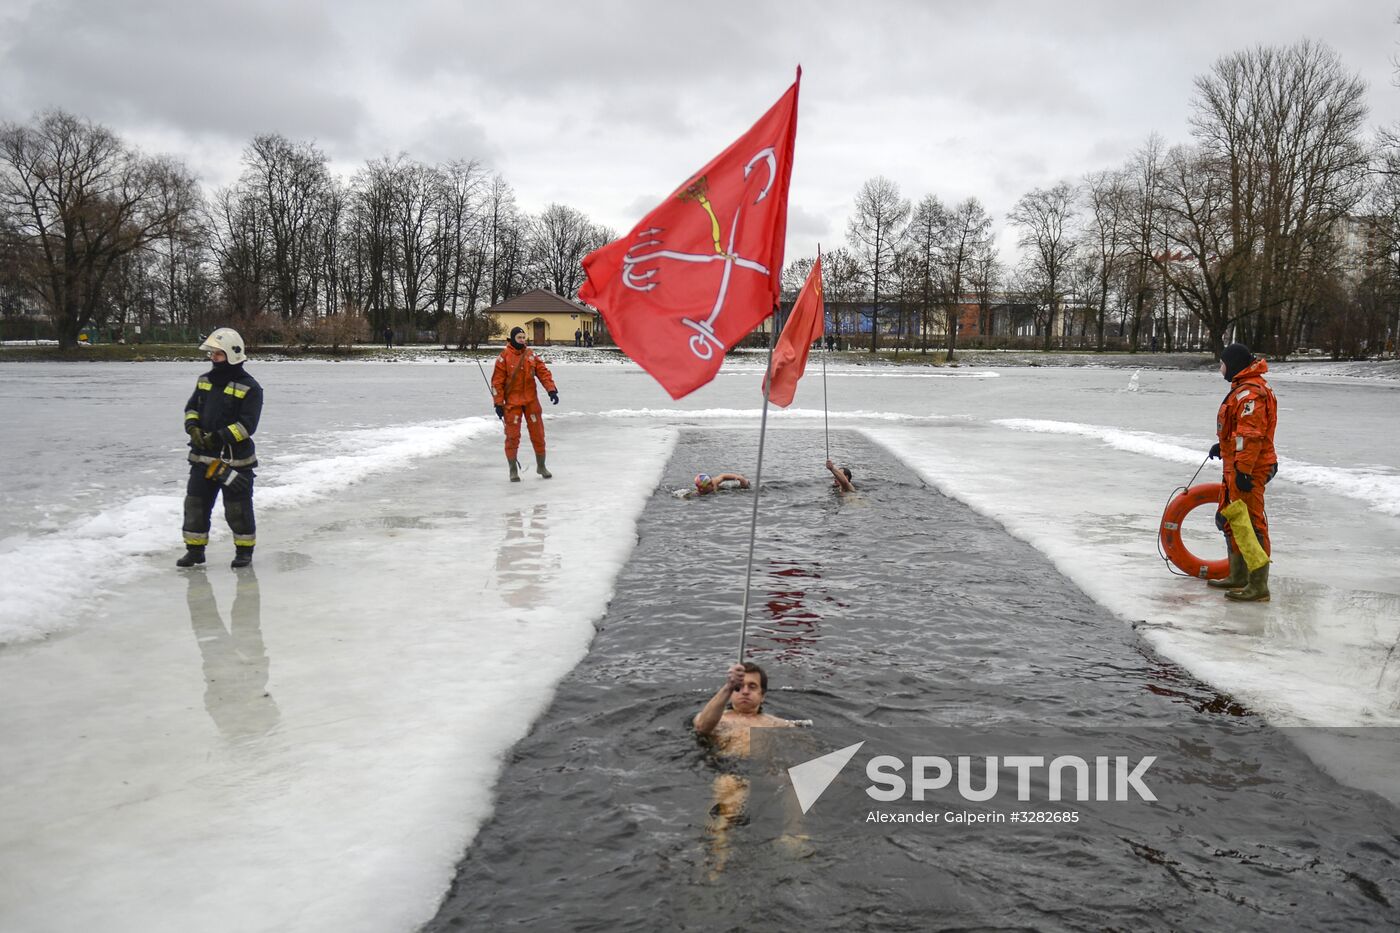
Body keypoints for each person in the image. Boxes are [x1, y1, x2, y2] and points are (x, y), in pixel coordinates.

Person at [178, 328, 262, 569]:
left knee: (238, 509)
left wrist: (217, 438)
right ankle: (194, 551)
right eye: (212, 354)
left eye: (218, 354)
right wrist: (193, 428)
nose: (213, 358)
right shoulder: (204, 381)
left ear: (233, 354)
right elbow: (191, 408)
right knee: (195, 505)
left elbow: (247, 426)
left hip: (234, 461)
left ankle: (244, 551)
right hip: (202, 459)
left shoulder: (250, 388)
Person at [1207, 342, 1278, 602]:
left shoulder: (1251, 394)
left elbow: (1251, 437)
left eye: (1222, 363)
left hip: (1250, 467)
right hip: (1235, 464)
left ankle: (1258, 584)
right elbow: (1237, 433)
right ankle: (1238, 574)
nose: (1220, 369)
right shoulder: (1242, 389)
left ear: (1234, 364)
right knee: (1233, 519)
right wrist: (1223, 446)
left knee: (1251, 523)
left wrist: (1243, 471)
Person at [492, 326, 559, 481]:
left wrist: (551, 389)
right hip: (512, 404)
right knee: (512, 436)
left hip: (531, 401)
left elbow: (543, 372)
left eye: (524, 337)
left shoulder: (531, 355)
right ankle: (513, 469)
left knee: (538, 434)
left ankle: (541, 466)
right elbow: (497, 383)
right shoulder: (504, 357)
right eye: (519, 337)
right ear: (513, 338)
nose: (522, 340)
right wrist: (498, 404)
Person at [693, 662, 797, 755]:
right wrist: (729, 686)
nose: (745, 691)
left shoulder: (778, 724)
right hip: (729, 767)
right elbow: (701, 727)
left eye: (752, 686)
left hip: (767, 769)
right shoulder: (719, 719)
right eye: (739, 686)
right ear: (732, 692)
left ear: (762, 696)